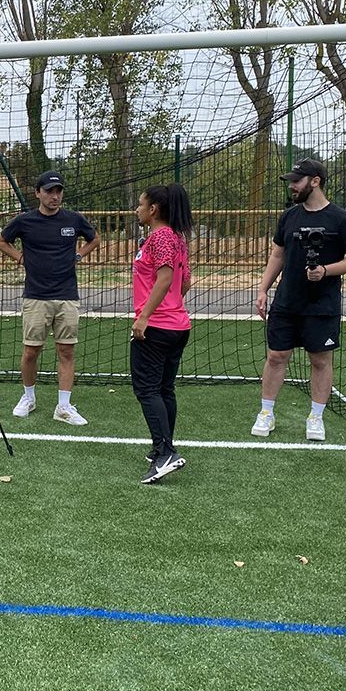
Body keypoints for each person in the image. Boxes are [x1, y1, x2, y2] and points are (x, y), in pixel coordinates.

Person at [252, 159, 346, 441]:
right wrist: (263, 288)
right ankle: (266, 413)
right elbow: (278, 254)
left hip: (322, 304)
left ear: (315, 181)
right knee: (276, 356)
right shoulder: (289, 216)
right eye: (291, 181)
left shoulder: (341, 219)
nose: (292, 186)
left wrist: (325, 271)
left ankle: (315, 417)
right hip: (287, 300)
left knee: (320, 361)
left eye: (297, 181)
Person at [0, 170, 101, 425]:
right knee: (31, 352)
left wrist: (80, 255)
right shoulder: (24, 221)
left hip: (67, 296)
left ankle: (63, 407)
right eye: (50, 191)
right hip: (36, 297)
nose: (55, 196)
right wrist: (20, 257)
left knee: (66, 351)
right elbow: (0, 241)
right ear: (38, 194)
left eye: (58, 191)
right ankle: (28, 398)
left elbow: (95, 238)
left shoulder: (73, 219)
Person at [131, 184, 194, 485]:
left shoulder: (161, 237)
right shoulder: (178, 238)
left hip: (157, 326)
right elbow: (185, 283)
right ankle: (161, 448)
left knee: (147, 389)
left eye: (141, 204)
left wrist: (145, 316)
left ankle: (165, 452)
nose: (138, 209)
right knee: (165, 389)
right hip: (178, 325)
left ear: (153, 209)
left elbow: (167, 277)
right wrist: (171, 306)